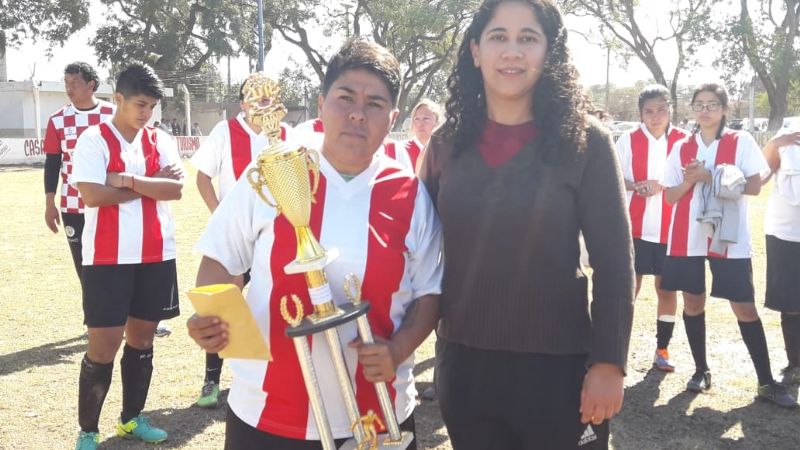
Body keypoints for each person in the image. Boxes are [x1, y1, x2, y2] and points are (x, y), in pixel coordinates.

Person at [186, 39, 442, 449]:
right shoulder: (273, 170)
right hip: (266, 413)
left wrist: (397, 349)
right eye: (346, 97)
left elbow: (430, 291)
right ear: (321, 104)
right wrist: (212, 320)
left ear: (392, 117)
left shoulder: (410, 194)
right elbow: (221, 259)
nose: (358, 113)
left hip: (378, 416)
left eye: (375, 104)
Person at [420, 1, 634, 449]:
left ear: (550, 52)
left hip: (561, 370)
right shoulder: (445, 145)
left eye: (528, 38)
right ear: (476, 51)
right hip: (466, 366)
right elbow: (416, 256)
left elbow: (615, 265)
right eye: (498, 37)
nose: (512, 51)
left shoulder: (586, 141)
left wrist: (609, 363)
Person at [660, 83, 797, 408]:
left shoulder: (741, 141)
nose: (704, 110)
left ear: (724, 109)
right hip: (687, 235)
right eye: (699, 104)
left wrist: (712, 177)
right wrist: (691, 180)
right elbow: (669, 196)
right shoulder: (680, 146)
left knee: (743, 305)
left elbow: (754, 186)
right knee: (693, 302)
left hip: (728, 236)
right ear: (692, 109)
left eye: (712, 104)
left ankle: (766, 382)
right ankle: (701, 370)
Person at [71, 63, 184, 450]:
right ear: (117, 99)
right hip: (107, 258)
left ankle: (131, 420)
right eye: (140, 104)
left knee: (142, 341)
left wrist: (125, 180)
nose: (146, 113)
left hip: (156, 253)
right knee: (103, 345)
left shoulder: (161, 139)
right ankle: (88, 431)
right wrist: (150, 185)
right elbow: (92, 195)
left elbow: (175, 191)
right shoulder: (94, 139)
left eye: (152, 106)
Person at [188, 75, 291, 409]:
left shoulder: (285, 134)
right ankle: (211, 381)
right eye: (255, 98)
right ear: (243, 102)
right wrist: (220, 216)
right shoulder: (224, 132)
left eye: (268, 98)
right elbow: (203, 177)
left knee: (268, 303)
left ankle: (262, 377)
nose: (262, 105)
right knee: (224, 306)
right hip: (235, 240)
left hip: (272, 239)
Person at [615, 85, 687, 372]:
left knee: (666, 289)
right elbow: (612, 178)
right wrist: (636, 185)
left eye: (661, 110)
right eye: (649, 111)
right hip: (633, 229)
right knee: (627, 288)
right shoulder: (627, 141)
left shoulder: (685, 140)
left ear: (670, 110)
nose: (655, 117)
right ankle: (616, 347)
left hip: (671, 231)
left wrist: (663, 185)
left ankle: (663, 349)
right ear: (640, 114)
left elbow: (692, 180)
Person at [43, 62, 115, 293]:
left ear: (91, 85)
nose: (69, 88)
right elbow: (52, 163)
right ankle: (94, 321)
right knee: (83, 263)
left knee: (118, 260)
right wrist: (49, 204)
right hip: (73, 205)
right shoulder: (58, 119)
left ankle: (131, 317)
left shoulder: (112, 115)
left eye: (75, 83)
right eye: (66, 83)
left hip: (110, 201)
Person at [762, 127, 800, 386]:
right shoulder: (789, 132)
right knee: (791, 302)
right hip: (784, 233)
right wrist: (775, 143)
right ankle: (795, 363)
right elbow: (761, 174)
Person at [383, 99, 442, 173]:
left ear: (437, 122)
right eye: (416, 119)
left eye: (426, 119)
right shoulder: (400, 150)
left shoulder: (442, 151)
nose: (420, 124)